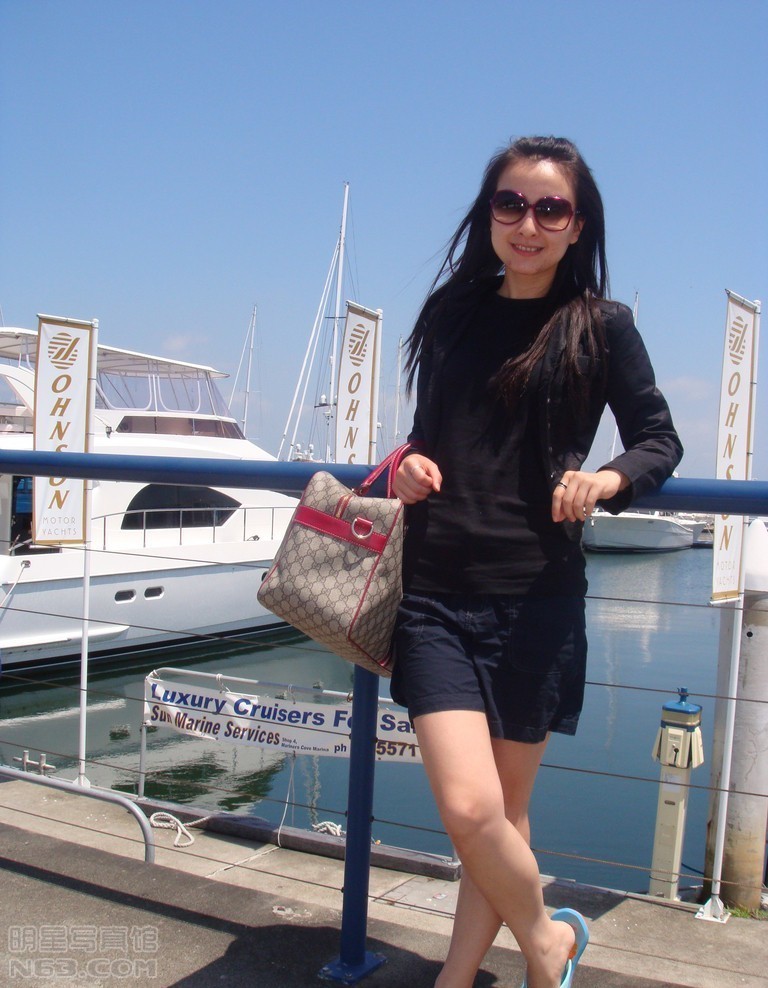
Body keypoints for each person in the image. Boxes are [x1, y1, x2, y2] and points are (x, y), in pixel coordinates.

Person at [390, 135, 683, 988]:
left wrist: (607, 479)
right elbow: (426, 435)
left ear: (577, 224)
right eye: (511, 204)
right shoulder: (452, 313)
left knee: (503, 815)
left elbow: (658, 439)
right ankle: (547, 941)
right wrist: (407, 463)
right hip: (435, 591)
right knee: (469, 808)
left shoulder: (600, 326)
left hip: (535, 600)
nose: (528, 224)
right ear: (489, 214)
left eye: (550, 209)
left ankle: (457, 980)